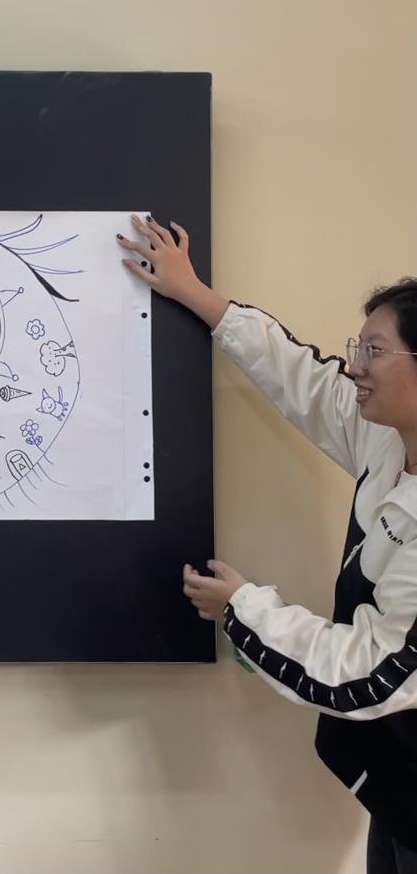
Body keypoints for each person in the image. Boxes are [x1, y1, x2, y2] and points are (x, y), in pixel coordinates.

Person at [120, 214, 417, 872]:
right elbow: (303, 380)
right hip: (396, 783)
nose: (355, 366)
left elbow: (373, 668)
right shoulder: (389, 438)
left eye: (374, 351)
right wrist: (195, 293)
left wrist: (243, 608)